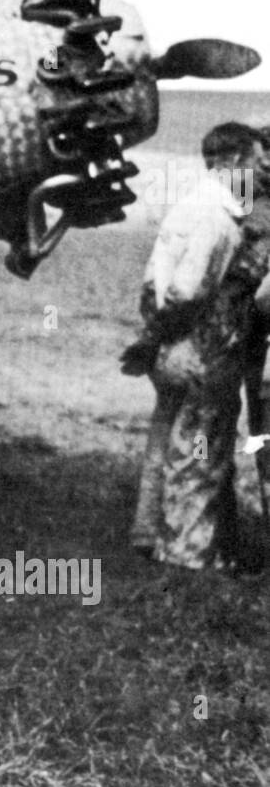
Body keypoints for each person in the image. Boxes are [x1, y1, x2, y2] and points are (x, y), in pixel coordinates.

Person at [123, 122, 270, 570]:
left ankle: (159, 535)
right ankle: (190, 550)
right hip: (213, 342)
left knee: (175, 437)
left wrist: (154, 337)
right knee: (202, 445)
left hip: (180, 339)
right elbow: (196, 288)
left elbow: (164, 282)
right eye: (257, 159)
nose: (262, 168)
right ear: (236, 161)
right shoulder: (224, 214)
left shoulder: (200, 203)